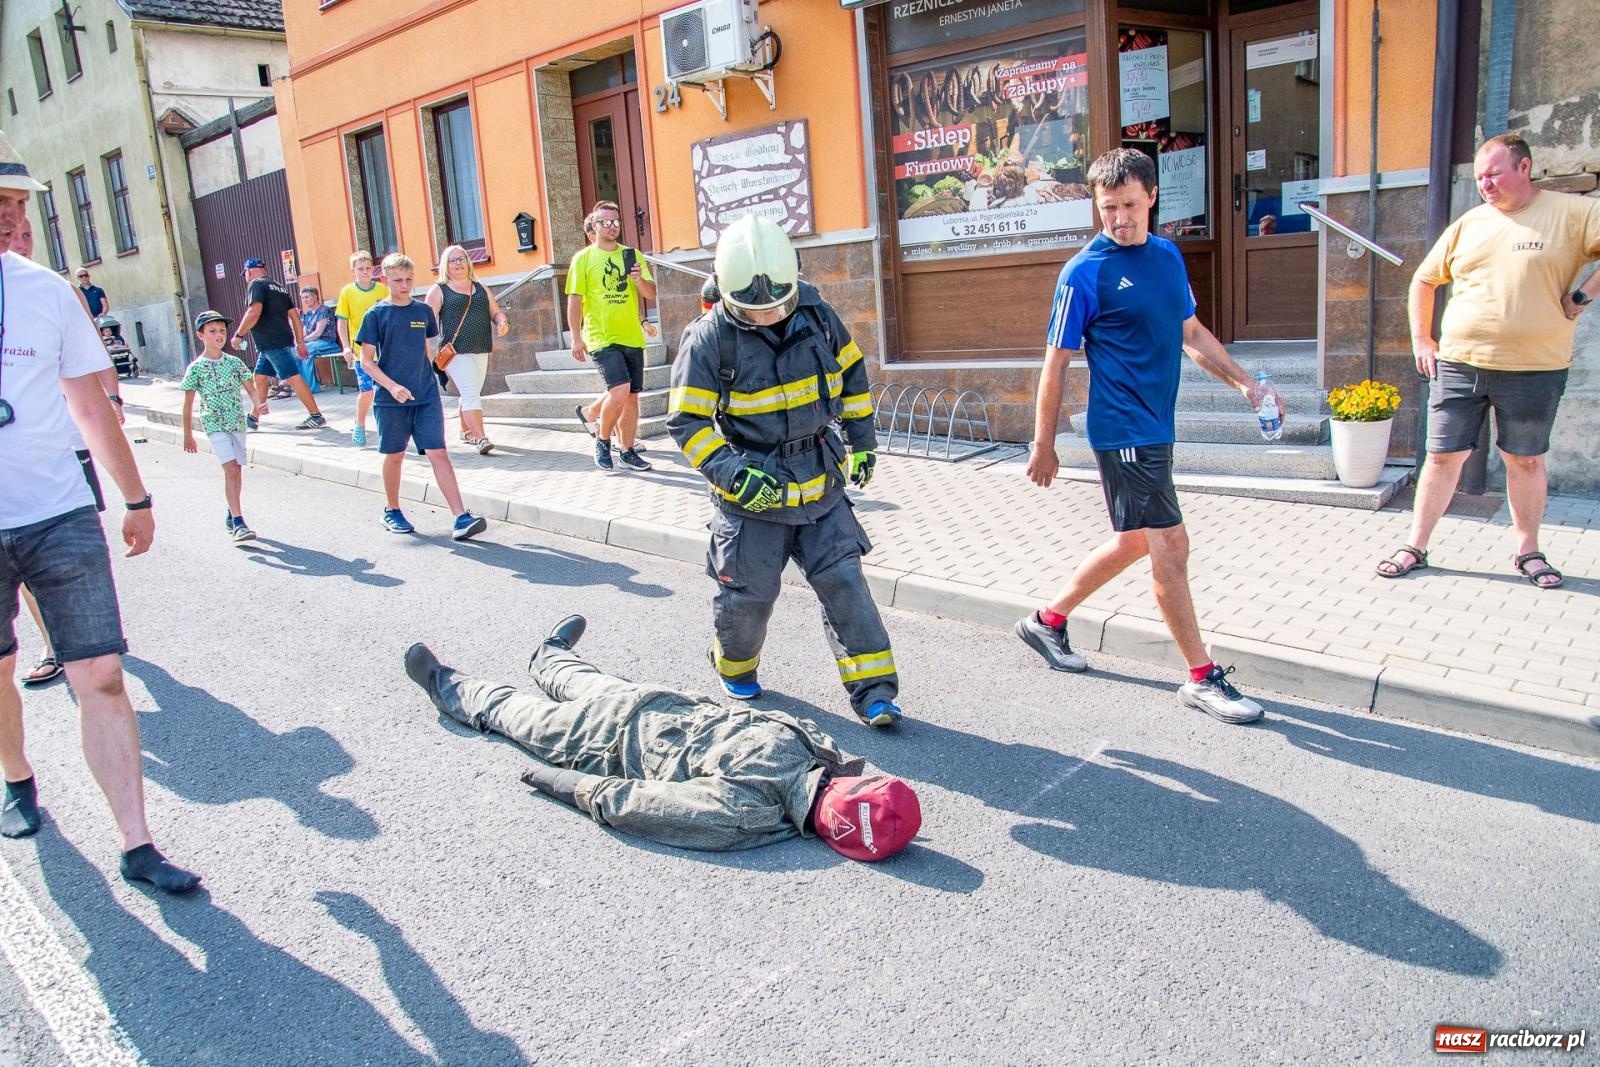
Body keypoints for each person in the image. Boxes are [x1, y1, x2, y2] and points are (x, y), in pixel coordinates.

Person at [0, 130, 200, 892]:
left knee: (102, 672)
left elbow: (91, 405)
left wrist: (136, 497)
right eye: (3, 204)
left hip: (58, 512)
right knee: (4, 668)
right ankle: (17, 777)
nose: (16, 218)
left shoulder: (47, 291)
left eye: (21, 204)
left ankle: (136, 842)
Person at [1017, 148, 1272, 725]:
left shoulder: (1167, 257)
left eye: (1130, 205)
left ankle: (1047, 621)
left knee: (1134, 540)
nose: (1119, 218)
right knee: (1170, 546)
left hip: (1157, 424)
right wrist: (1043, 442)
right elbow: (1055, 362)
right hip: (1123, 427)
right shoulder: (1085, 272)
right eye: (1108, 207)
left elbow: (1191, 332)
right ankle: (1201, 676)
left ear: (1151, 197)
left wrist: (1246, 386)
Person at [403, 616, 921, 859]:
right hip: (656, 702)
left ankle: (445, 685)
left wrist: (557, 781)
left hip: (603, 743)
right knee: (580, 676)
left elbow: (639, 803)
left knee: (512, 712)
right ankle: (548, 654)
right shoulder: (818, 751)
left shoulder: (746, 812)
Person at [667, 214, 901, 728]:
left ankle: (875, 692)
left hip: (820, 479)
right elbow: (686, 420)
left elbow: (852, 374)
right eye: (756, 308)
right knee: (750, 596)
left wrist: (862, 442)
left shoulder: (817, 313)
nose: (771, 314)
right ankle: (734, 663)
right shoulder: (708, 338)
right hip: (755, 491)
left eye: (780, 302)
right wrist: (731, 473)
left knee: (845, 583)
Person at [1376, 133, 1600, 590]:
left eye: (1494, 174)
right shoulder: (1469, 223)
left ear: (1525, 167)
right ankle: (1415, 545)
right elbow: (1424, 279)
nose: (1486, 184)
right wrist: (1423, 338)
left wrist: (1581, 296)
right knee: (1440, 459)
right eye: (1480, 177)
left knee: (1526, 461)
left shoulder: (1574, 213)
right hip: (1460, 363)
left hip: (1535, 366)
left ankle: (1528, 550)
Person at [7, 216, 118, 690]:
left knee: (71, 546)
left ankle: (83, 636)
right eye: (14, 232)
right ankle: (55, 641)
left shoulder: (54, 293)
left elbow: (94, 362)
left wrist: (112, 400)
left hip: (69, 449)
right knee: (29, 554)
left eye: (29, 233)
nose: (19, 240)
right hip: (20, 466)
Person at [355, 252, 488, 541]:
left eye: (409, 279)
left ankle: (460, 516)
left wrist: (438, 374)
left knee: (438, 452)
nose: (404, 285)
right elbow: (366, 361)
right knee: (395, 455)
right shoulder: (376, 314)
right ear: (385, 280)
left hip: (426, 395)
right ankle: (392, 509)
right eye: (398, 280)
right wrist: (392, 386)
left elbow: (428, 349)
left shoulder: (423, 312)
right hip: (392, 399)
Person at [567, 201, 655, 473]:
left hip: (631, 335)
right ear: (593, 225)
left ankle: (627, 450)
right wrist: (576, 337)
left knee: (631, 398)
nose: (611, 226)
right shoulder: (583, 259)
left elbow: (650, 293)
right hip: (601, 336)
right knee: (619, 389)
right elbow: (575, 300)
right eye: (605, 222)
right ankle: (603, 441)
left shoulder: (632, 255)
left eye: (615, 221)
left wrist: (639, 279)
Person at [181, 310, 267, 542]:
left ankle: (232, 512)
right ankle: (239, 523)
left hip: (237, 422)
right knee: (230, 469)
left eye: (221, 330)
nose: (218, 335)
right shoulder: (196, 368)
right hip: (214, 424)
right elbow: (187, 404)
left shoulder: (234, 362)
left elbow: (250, 388)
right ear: (201, 336)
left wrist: (258, 404)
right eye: (212, 331)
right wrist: (188, 435)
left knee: (237, 470)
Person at [425, 244, 509, 455]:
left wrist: (502, 322)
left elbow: (495, 312)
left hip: (480, 347)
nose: (458, 263)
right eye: (453, 260)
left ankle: (465, 430)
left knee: (470, 391)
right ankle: (481, 438)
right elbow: (426, 322)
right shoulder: (439, 290)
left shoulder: (480, 287)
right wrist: (428, 351)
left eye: (461, 258)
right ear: (446, 265)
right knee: (471, 393)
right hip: (455, 352)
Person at [231, 258, 324, 430]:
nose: (245, 277)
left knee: (293, 377)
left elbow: (254, 311)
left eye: (245, 274)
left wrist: (239, 335)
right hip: (272, 344)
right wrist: (300, 342)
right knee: (259, 377)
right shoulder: (279, 287)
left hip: (272, 342)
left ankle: (316, 415)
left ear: (249, 272)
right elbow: (295, 316)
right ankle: (253, 418)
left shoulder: (256, 284)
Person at [335, 250, 389, 447]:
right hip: (361, 351)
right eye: (361, 269)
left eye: (368, 268)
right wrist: (346, 347)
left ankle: (386, 429)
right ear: (353, 271)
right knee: (366, 390)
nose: (365, 272)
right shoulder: (347, 292)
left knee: (385, 390)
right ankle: (360, 423)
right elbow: (342, 321)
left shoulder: (382, 290)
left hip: (383, 350)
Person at [297, 286, 341, 394]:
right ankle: (300, 386)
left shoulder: (324, 310)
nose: (305, 300)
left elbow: (318, 333)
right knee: (296, 351)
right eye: (303, 298)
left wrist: (303, 342)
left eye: (307, 297)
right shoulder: (307, 315)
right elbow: (303, 333)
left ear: (315, 296)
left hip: (328, 343)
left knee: (305, 350)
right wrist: (299, 342)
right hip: (313, 343)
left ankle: (310, 388)